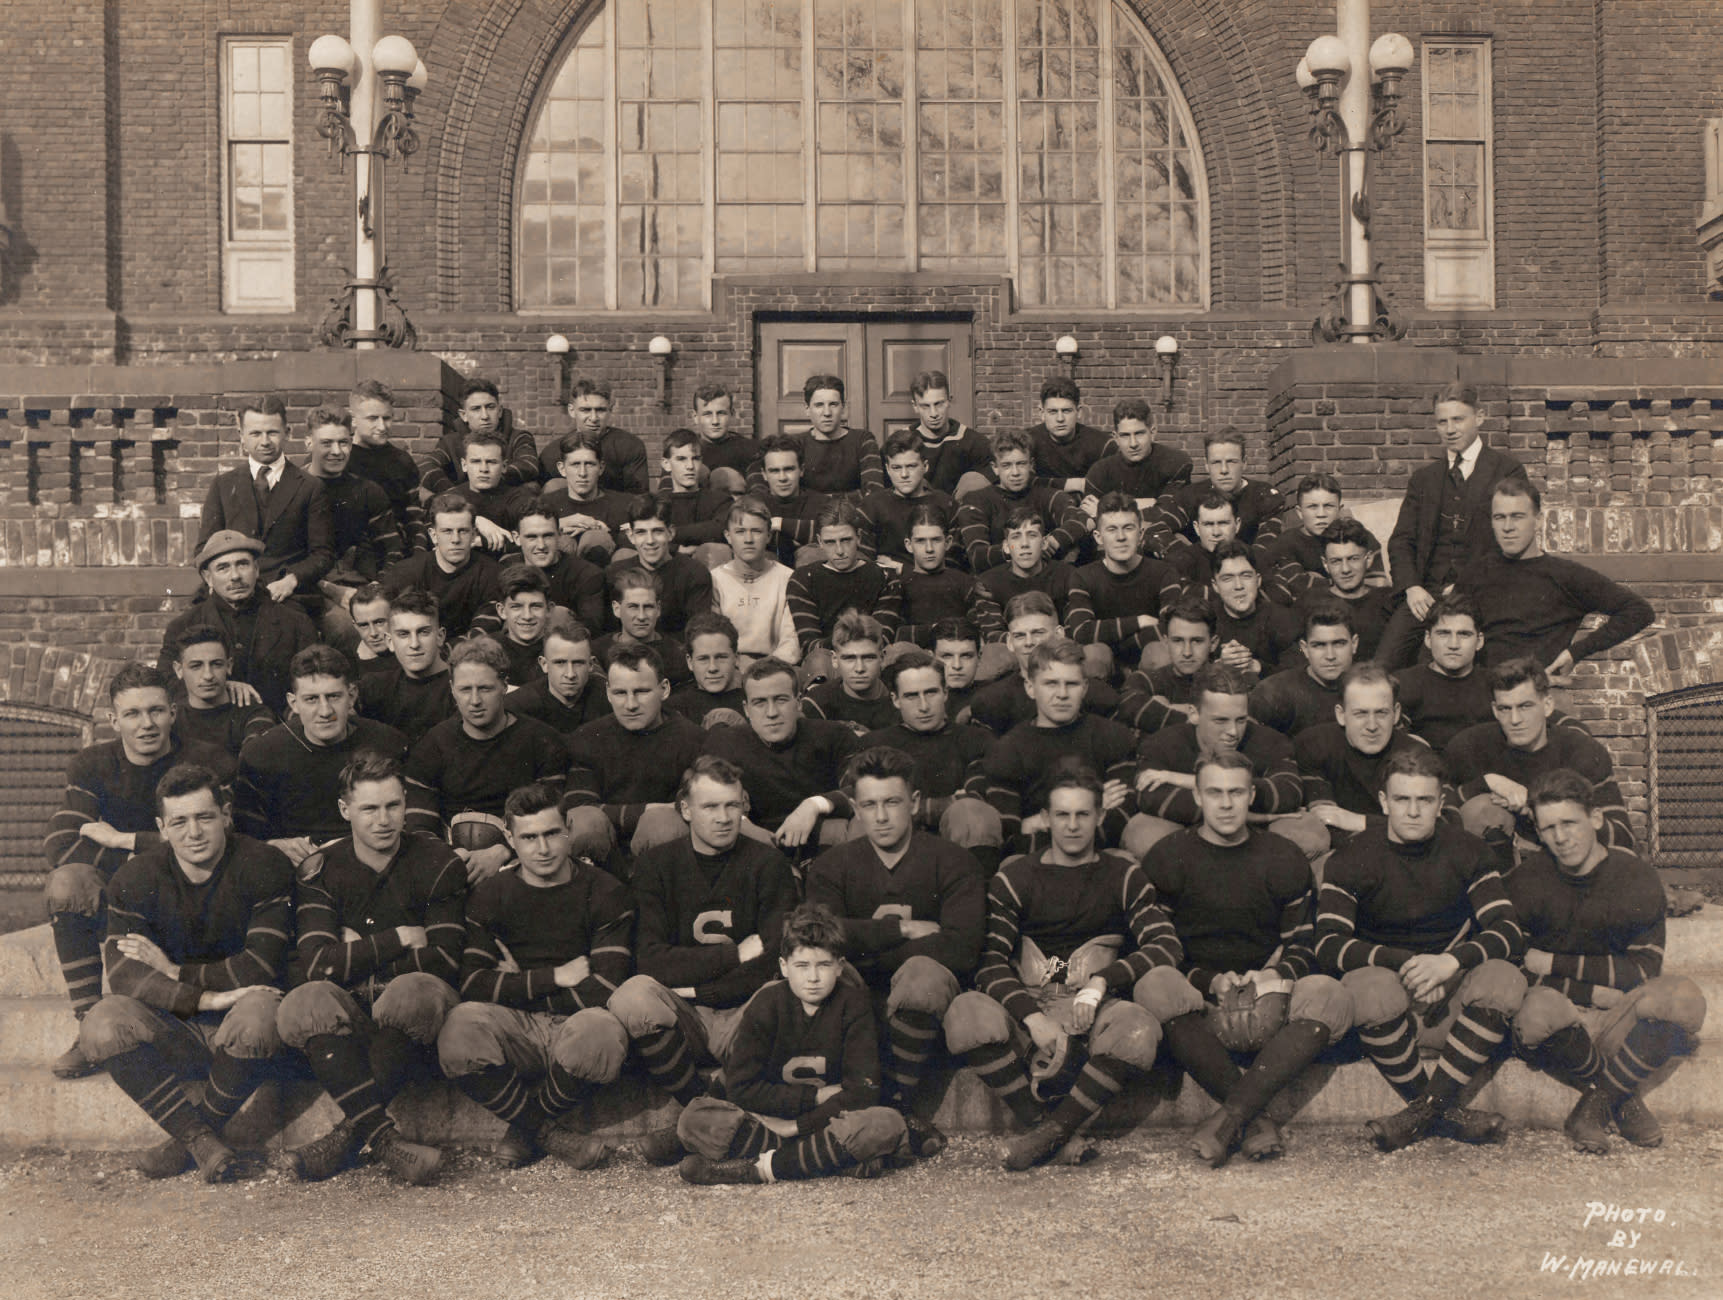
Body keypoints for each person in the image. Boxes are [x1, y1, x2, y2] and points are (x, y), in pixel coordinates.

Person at [943, 767, 1180, 1169]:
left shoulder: (1124, 875)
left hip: (1094, 1004)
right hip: (1029, 1001)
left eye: (1083, 815)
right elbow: (988, 960)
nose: (1072, 825)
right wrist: (1032, 1017)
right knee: (965, 1012)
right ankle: (1045, 1128)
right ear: (1047, 818)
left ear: (1100, 817)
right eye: (1063, 815)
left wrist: (1104, 980)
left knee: (1137, 1028)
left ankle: (1049, 1134)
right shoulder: (1015, 876)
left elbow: (1166, 944)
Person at [76, 763, 293, 1181]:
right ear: (161, 827)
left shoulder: (264, 864)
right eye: (179, 821)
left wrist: (176, 971)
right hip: (176, 1025)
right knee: (102, 1022)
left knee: (260, 1012)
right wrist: (205, 998)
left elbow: (261, 964)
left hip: (245, 1023)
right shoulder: (135, 877)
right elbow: (123, 974)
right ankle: (199, 1139)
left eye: (204, 817)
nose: (193, 832)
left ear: (226, 816)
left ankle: (188, 1141)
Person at [1136, 750, 1352, 1167]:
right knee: (1154, 984)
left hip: (1268, 999)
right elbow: (1155, 947)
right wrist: (1206, 981)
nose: (1226, 803)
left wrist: (1274, 974)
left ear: (1251, 795)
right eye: (1214, 792)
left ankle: (1231, 1118)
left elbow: (1304, 943)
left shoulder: (1282, 856)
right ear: (1197, 797)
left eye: (1236, 792)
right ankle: (1255, 1121)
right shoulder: (1167, 857)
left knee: (1329, 993)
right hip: (1198, 1007)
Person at [1315, 747, 1528, 1152]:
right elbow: (1327, 944)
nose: (1413, 811)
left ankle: (1423, 1112)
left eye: (1424, 800)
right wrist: (1408, 964)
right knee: (1366, 986)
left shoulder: (1468, 849)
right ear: (1383, 802)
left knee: (1504, 977)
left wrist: (1449, 962)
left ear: (1441, 803)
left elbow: (1508, 931)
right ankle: (1446, 1113)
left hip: (1452, 1003)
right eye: (1402, 799)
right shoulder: (1351, 857)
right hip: (1391, 1012)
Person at [274, 752, 463, 1184]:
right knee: (306, 1000)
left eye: (393, 806)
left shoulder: (438, 861)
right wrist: (398, 937)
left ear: (406, 804)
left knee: (414, 990)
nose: (383, 820)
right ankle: (383, 1140)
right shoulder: (320, 870)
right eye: (369, 809)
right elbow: (318, 963)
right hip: (354, 1013)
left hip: (419, 1016)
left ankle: (344, 1137)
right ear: (345, 810)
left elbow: (446, 957)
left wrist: (358, 953)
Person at [41, 665, 236, 1079]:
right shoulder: (91, 764)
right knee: (68, 883)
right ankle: (90, 1024)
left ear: (173, 712)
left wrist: (126, 841)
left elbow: (225, 834)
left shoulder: (207, 759)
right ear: (113, 720)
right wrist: (138, 866)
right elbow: (60, 842)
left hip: (193, 892)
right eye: (132, 714)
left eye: (155, 711)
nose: (146, 724)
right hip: (126, 895)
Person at [607, 755, 798, 1164]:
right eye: (710, 806)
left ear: (744, 806)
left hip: (743, 1008)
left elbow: (772, 958)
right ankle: (703, 1110)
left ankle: (688, 1124)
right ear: (686, 809)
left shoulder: (768, 863)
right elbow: (652, 961)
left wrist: (699, 984)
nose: (724, 817)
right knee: (633, 995)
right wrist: (733, 953)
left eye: (732, 805)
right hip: (686, 1017)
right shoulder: (657, 865)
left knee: (784, 994)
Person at [1507, 770, 1707, 1154]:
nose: (1561, 838)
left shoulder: (1634, 876)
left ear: (1596, 818)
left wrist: (1551, 961)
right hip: (1560, 1018)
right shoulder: (1525, 880)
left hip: (1618, 1016)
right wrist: (1589, 990)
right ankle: (1619, 1099)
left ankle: (1592, 1109)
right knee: (1535, 1012)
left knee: (1684, 999)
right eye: (1548, 828)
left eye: (1569, 822)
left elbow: (1643, 971)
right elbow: (1516, 966)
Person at [435, 781, 633, 1169]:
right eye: (528, 838)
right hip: (518, 1025)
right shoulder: (491, 894)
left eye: (551, 834)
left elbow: (605, 986)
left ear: (569, 830)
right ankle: (544, 1132)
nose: (542, 849)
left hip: (575, 1022)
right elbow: (472, 983)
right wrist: (555, 977)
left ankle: (526, 1129)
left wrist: (513, 984)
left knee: (602, 1031)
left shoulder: (606, 891)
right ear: (510, 838)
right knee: (459, 1028)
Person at [804, 746, 985, 1156]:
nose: (881, 816)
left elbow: (962, 947)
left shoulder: (953, 861)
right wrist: (900, 930)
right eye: (869, 805)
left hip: (923, 1003)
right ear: (854, 807)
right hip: (854, 1000)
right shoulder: (832, 865)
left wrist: (865, 950)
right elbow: (818, 936)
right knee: (824, 974)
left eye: (892, 802)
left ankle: (893, 1107)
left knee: (923, 975)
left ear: (915, 802)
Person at [675, 902, 911, 1184]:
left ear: (839, 967)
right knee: (694, 1119)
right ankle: (823, 1159)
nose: (812, 978)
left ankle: (756, 1170)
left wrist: (798, 1127)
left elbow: (863, 1092)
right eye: (802, 966)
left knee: (887, 1123)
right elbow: (741, 1089)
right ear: (784, 967)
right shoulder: (767, 1003)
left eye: (823, 965)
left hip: (829, 1122)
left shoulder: (854, 1004)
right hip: (775, 1120)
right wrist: (811, 1099)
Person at [1378, 384, 1528, 669]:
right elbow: (1401, 541)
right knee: (1383, 667)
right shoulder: (1425, 479)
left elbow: (1513, 539)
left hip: (1483, 595)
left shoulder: (1506, 470)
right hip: (1426, 595)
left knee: (1494, 673)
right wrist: (1411, 587)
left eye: (1458, 419)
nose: (1450, 429)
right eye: (1442, 421)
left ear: (1479, 417)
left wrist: (1467, 585)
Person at [404, 636, 572, 884]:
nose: (474, 701)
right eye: (464, 689)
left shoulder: (541, 740)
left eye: (485, 688)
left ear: (504, 685)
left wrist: (503, 851)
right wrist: (451, 857)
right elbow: (418, 823)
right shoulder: (433, 744)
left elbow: (550, 818)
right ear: (452, 689)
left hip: (525, 858)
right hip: (454, 859)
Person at [1456, 478, 1654, 673]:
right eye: (1500, 517)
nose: (1507, 527)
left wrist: (1575, 653)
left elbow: (1638, 611)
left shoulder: (1564, 575)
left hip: (1542, 693)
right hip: (1485, 693)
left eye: (1517, 516)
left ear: (1538, 521)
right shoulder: (1476, 574)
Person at [234, 646, 409, 865]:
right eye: (311, 699)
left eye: (334, 696)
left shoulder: (387, 743)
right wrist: (275, 845)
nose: (325, 711)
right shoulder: (261, 754)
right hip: (296, 866)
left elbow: (408, 820)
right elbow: (242, 836)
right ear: (293, 703)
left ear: (352, 695)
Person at [1445, 657, 1635, 856]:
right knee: (1483, 810)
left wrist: (1540, 809)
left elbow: (1623, 838)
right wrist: (1485, 783)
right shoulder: (1470, 746)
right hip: (1498, 867)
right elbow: (1433, 812)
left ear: (1547, 705)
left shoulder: (1579, 750)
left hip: (1565, 864)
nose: (1515, 720)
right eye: (1505, 709)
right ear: (1494, 710)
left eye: (1525, 706)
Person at [1129, 664, 1319, 860]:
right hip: (1189, 839)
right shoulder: (1162, 743)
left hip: (1251, 841)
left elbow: (1289, 791)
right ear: (1194, 713)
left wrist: (1183, 782)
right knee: (1146, 834)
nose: (1233, 732)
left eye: (1241, 720)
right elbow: (1149, 796)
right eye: (1221, 721)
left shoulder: (1272, 741)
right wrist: (1250, 814)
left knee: (1309, 834)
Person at [981, 639, 1139, 855]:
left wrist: (1037, 822)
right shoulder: (1007, 750)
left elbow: (1123, 815)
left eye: (1071, 684)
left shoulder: (1112, 736)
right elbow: (1010, 835)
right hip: (1034, 862)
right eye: (1051, 683)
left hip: (1102, 856)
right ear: (1030, 687)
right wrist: (1092, 812)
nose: (1062, 694)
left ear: (1084, 688)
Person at [562, 643, 708, 866]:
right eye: (620, 693)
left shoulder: (692, 739)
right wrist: (645, 810)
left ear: (665, 689)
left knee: (663, 823)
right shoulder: (588, 737)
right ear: (608, 693)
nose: (630, 705)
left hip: (663, 851)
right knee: (584, 822)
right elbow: (579, 805)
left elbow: (690, 805)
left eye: (641, 692)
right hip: (604, 855)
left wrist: (655, 814)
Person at [698, 657, 865, 851]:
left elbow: (865, 787)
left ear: (799, 702)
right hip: (751, 848)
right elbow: (687, 798)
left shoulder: (834, 735)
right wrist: (740, 822)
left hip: (824, 845)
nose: (771, 713)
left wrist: (814, 805)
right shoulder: (723, 743)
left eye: (781, 700)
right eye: (760, 702)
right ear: (746, 709)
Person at [861, 650, 1004, 870]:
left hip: (958, 849)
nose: (924, 706)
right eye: (911, 696)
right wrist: (943, 804)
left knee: (971, 814)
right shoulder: (874, 745)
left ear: (945, 692)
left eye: (931, 693)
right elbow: (863, 802)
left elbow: (981, 797)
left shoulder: (977, 739)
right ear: (895, 700)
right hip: (897, 849)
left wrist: (907, 807)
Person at [194, 395, 334, 611]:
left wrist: (291, 580)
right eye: (255, 433)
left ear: (287, 433)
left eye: (272, 432)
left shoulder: (310, 487)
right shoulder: (223, 485)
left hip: (287, 593)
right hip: (232, 589)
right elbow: (204, 549)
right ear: (242, 436)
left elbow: (322, 555)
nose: (265, 441)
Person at [159, 530, 318, 716]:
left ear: (256, 569)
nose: (235, 576)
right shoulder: (183, 626)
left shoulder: (295, 622)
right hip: (209, 728)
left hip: (277, 727)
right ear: (208, 578)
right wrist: (219, 685)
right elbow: (165, 682)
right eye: (223, 568)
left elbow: (313, 682)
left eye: (242, 564)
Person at [1293, 663, 1437, 850]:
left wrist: (1360, 821)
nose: (1372, 726)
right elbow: (1326, 819)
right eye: (1361, 713)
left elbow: (1445, 823)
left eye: (1381, 713)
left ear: (1396, 714)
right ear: (1341, 714)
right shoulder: (1315, 744)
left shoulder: (1416, 752)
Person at [303, 407, 405, 643]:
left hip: (366, 587)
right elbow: (284, 559)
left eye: (344, 443)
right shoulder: (292, 490)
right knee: (345, 628)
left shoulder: (368, 491)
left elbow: (393, 550)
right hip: (315, 589)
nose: (337, 451)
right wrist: (331, 590)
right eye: (326, 443)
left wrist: (377, 589)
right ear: (309, 443)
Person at [966, 593, 1121, 736]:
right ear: (1010, 642)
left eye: (1038, 633)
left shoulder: (1095, 694)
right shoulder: (992, 701)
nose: (1029, 642)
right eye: (1020, 635)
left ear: (1059, 635)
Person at [1065, 491, 1182, 679]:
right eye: (1111, 529)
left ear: (1141, 534)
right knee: (1094, 654)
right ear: (1098, 537)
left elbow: (1174, 628)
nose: (1121, 537)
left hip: (1150, 666)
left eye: (1128, 528)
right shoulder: (1083, 576)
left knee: (1161, 652)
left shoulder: (1164, 572)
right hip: (1103, 670)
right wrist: (1139, 622)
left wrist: (1120, 646)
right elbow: (1081, 632)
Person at [970, 508, 1091, 673]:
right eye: (1016, 537)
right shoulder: (989, 582)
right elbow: (993, 635)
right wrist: (1028, 642)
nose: (1024, 544)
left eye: (1032, 536)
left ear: (1044, 543)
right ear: (1006, 547)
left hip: (1058, 651)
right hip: (1015, 655)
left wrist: (1041, 642)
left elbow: (1075, 627)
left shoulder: (1067, 575)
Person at [954, 427, 1088, 572]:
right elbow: (977, 557)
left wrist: (1052, 542)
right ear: (995, 468)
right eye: (1006, 465)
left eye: (1021, 464)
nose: (1015, 473)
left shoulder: (1047, 496)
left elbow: (1082, 519)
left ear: (1031, 464)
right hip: (997, 582)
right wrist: (1022, 549)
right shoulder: (976, 500)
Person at [787, 500, 892, 677]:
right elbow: (810, 644)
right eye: (830, 542)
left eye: (846, 540)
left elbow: (883, 636)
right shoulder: (803, 579)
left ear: (858, 537)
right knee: (819, 659)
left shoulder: (885, 577)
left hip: (870, 659)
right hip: (827, 662)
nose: (840, 550)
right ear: (819, 541)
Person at [380, 493, 504, 640]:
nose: (455, 540)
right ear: (433, 535)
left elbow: (484, 629)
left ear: (473, 534)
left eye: (463, 531)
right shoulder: (405, 572)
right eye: (447, 531)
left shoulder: (491, 573)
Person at [1148, 429, 1286, 557]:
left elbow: (1267, 549)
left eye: (1231, 461)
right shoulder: (1189, 495)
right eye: (1216, 463)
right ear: (1207, 465)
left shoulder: (1266, 496)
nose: (1224, 470)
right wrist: (1190, 558)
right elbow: (1156, 531)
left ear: (1244, 463)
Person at [1393, 592, 1495, 751]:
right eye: (1443, 633)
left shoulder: (1494, 685)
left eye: (1464, 634)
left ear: (1479, 641)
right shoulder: (1404, 683)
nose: (1453, 644)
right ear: (1428, 639)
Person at [355, 587, 457, 746]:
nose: (414, 644)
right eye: (403, 634)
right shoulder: (374, 687)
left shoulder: (462, 688)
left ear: (440, 636)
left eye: (423, 632)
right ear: (390, 642)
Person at [873, 504, 982, 652]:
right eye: (920, 541)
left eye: (936, 540)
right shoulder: (897, 585)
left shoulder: (965, 583)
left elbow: (976, 632)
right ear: (909, 545)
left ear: (948, 542)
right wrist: (935, 630)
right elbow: (891, 634)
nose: (929, 549)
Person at [1263, 474, 1386, 603]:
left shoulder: (1359, 537)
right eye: (1312, 507)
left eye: (1328, 506)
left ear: (1339, 509)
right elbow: (1288, 590)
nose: (1321, 514)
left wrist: (1316, 581)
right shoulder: (1285, 543)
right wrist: (1347, 583)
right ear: (1299, 512)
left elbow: (1379, 584)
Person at [710, 496, 800, 665]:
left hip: (777, 667)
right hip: (730, 668)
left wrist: (765, 668)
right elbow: (714, 641)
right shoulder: (714, 580)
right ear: (728, 536)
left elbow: (791, 641)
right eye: (740, 531)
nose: (748, 539)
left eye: (756, 531)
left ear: (768, 536)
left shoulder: (788, 578)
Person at [1249, 602, 1359, 738]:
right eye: (1319, 645)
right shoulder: (1272, 695)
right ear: (1305, 648)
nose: (1330, 656)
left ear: (1354, 644)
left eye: (1339, 644)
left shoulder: (1375, 689)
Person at [612, 496, 715, 636]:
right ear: (631, 536)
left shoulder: (694, 574)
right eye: (641, 532)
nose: (650, 541)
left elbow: (697, 635)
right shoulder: (615, 573)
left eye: (657, 531)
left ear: (670, 533)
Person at [1293, 519, 1394, 661]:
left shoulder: (1387, 600)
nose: (1345, 569)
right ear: (1325, 564)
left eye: (1353, 559)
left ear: (1369, 559)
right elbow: (1295, 652)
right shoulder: (1309, 601)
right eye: (1336, 561)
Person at [166, 626, 275, 758]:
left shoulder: (253, 713)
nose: (208, 675)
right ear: (178, 670)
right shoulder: (172, 718)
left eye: (216, 664)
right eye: (196, 666)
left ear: (229, 666)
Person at [1114, 596, 1217, 733]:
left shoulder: (1227, 680)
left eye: (1197, 641)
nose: (1187, 652)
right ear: (1166, 643)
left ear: (1213, 643)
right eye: (1178, 641)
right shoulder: (1146, 679)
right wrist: (1192, 719)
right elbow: (1128, 704)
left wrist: (1169, 708)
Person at [421, 378, 540, 495]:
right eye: (476, 409)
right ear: (464, 415)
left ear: (499, 411)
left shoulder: (519, 437)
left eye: (490, 407)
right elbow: (426, 466)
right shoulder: (450, 442)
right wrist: (452, 493)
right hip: (463, 505)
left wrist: (485, 480)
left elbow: (529, 465)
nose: (485, 416)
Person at [858, 429, 957, 572]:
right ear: (887, 469)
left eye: (911, 466)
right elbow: (864, 562)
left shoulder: (946, 504)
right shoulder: (872, 505)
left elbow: (954, 564)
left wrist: (901, 568)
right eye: (897, 468)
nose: (904, 475)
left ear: (925, 466)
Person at [536, 377, 649, 495]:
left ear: (610, 410)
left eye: (600, 410)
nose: (594, 418)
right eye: (585, 410)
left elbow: (639, 498)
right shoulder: (553, 452)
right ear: (572, 410)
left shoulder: (629, 446)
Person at [1206, 541, 1302, 679]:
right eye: (1228, 578)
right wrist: (1218, 667)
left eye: (1246, 576)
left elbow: (1299, 675)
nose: (1238, 586)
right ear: (1215, 586)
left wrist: (1257, 667)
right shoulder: (1203, 620)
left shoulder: (1283, 619)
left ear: (1258, 581)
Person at [778, 374, 884, 499]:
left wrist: (816, 502)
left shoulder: (862, 440)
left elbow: (873, 491)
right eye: (819, 405)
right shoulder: (795, 443)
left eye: (833, 404)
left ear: (843, 408)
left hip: (854, 517)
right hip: (805, 517)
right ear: (807, 409)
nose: (827, 413)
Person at [1079, 398, 1193, 514]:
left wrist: (1105, 509)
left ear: (1152, 432)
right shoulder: (1100, 471)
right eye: (1125, 435)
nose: (1133, 444)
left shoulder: (1176, 462)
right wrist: (1151, 503)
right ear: (1116, 438)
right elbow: (1088, 516)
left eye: (1139, 434)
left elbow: (1168, 513)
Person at [346, 380, 422, 550]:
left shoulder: (402, 460)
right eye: (373, 418)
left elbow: (414, 517)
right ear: (353, 420)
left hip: (399, 554)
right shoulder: (339, 460)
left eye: (386, 418)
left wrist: (418, 555)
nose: (382, 426)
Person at [541, 432, 639, 564]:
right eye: (575, 464)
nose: (582, 473)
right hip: (560, 580)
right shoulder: (546, 504)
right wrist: (558, 524)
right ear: (562, 468)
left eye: (589, 464)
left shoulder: (624, 504)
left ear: (601, 467)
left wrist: (608, 533)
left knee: (598, 539)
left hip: (609, 577)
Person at [508, 610, 611, 733]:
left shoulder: (609, 696)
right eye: (560, 663)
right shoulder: (518, 705)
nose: (570, 674)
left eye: (578, 663)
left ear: (591, 664)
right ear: (544, 664)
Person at [513, 497, 607, 632]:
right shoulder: (505, 569)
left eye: (548, 536)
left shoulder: (586, 574)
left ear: (559, 535)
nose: (541, 545)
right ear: (517, 538)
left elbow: (591, 629)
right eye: (532, 537)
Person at [593, 567, 692, 689]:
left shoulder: (677, 655)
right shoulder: (596, 651)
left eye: (648, 607)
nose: (641, 616)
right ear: (616, 609)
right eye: (633, 607)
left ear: (658, 609)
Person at [801, 611, 898, 734]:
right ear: (834, 660)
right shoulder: (816, 704)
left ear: (882, 658)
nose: (859, 668)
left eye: (868, 658)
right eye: (849, 658)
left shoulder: (900, 701)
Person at [445, 427, 537, 551]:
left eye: (491, 462)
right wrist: (475, 520)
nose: (484, 469)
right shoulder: (450, 497)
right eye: (476, 461)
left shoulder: (519, 498)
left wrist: (480, 541)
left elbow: (531, 540)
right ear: (464, 465)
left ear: (504, 466)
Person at [653, 428, 735, 567]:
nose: (690, 466)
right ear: (666, 464)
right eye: (681, 459)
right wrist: (675, 548)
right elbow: (628, 535)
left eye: (695, 459)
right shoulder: (654, 502)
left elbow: (720, 529)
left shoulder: (720, 500)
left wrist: (666, 532)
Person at [1021, 375, 1111, 494]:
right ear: (1042, 413)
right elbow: (1016, 481)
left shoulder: (1101, 444)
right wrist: (1074, 484)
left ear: (1078, 412)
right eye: (1053, 411)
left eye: (1066, 411)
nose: (1060, 419)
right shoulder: (1026, 440)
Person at [752, 433, 831, 568]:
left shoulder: (821, 503)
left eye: (789, 469)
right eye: (774, 471)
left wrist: (780, 524)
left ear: (801, 470)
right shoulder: (753, 504)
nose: (782, 478)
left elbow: (835, 536)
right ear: (764, 474)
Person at [909, 369, 991, 497]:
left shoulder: (973, 441)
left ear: (949, 400)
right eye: (925, 406)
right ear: (915, 406)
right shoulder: (903, 441)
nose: (934, 413)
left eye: (939, 404)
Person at [666, 612, 748, 727]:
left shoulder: (754, 701)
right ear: (690, 662)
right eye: (703, 659)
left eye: (721, 657)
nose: (712, 668)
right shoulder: (674, 708)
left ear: (736, 658)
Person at [482, 563, 553, 687]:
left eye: (535, 606)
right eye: (516, 607)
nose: (527, 616)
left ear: (549, 610)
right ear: (501, 611)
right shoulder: (484, 650)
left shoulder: (564, 647)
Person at [689, 383, 756, 493]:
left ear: (732, 414)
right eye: (707, 414)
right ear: (695, 417)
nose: (715, 421)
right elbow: (666, 494)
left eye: (721, 413)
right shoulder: (683, 451)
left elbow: (758, 493)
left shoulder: (749, 450)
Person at [347, 582, 401, 677]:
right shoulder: (348, 659)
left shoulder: (411, 658)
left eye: (379, 622)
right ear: (355, 626)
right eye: (364, 625)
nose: (373, 633)